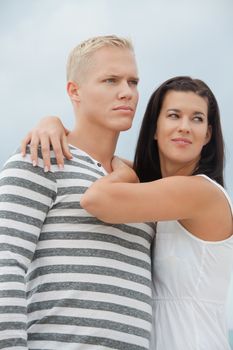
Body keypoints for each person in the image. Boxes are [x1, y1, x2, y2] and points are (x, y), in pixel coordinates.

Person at [23, 76, 233, 350]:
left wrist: (123, 171)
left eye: (197, 119)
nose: (184, 127)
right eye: (173, 115)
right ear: (155, 128)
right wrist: (51, 123)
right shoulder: (154, 192)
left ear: (207, 134)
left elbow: (97, 199)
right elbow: (100, 156)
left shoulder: (201, 193)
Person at [0, 35, 156, 350]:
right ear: (75, 91)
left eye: (133, 81)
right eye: (111, 80)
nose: (127, 92)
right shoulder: (40, 159)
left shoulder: (139, 184)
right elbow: (6, 264)